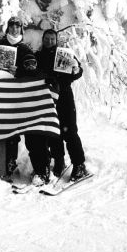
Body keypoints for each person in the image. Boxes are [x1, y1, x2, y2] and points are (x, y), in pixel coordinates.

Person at [35, 29, 88, 181]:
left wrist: (76, 68)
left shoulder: (65, 54)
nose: (49, 41)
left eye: (52, 39)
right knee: (53, 133)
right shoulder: (38, 56)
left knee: (70, 132)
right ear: (43, 39)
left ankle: (79, 164)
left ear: (56, 40)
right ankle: (59, 161)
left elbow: (77, 73)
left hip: (65, 97)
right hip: (47, 98)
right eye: (47, 38)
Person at [0, 16, 39, 178]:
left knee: (13, 130)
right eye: (11, 26)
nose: (14, 29)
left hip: (17, 95)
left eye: (17, 26)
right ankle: (1, 159)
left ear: (21, 29)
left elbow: (33, 71)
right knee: (0, 128)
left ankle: (11, 160)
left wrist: (19, 71)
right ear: (7, 28)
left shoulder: (25, 49)